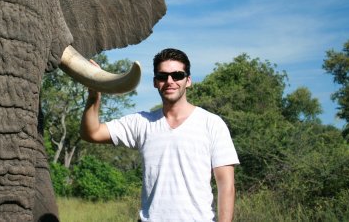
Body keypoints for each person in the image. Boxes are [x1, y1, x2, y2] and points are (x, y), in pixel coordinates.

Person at [81, 48, 239, 222]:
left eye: (177, 75)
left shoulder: (212, 123)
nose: (170, 81)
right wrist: (94, 94)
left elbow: (226, 186)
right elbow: (92, 133)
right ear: (155, 82)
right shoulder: (141, 122)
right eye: (163, 76)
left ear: (188, 81)